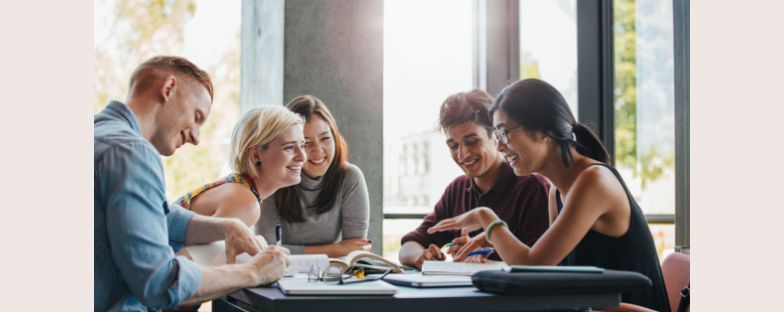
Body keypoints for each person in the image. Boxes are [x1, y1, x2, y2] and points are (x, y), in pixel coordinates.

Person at [428, 79, 670, 311]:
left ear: (543, 130)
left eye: (504, 133)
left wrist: (487, 219)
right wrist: (493, 239)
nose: (500, 146)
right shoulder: (557, 190)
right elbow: (549, 273)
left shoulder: (593, 181)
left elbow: (532, 266)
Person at [95, 56, 289, 311]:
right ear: (168, 89)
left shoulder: (100, 136)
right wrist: (254, 272)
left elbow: (151, 216)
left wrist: (225, 227)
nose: (196, 138)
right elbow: (160, 284)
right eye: (197, 116)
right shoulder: (132, 152)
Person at [398, 90, 550, 270]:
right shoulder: (457, 189)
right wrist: (420, 256)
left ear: (495, 137)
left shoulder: (532, 187)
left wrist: (484, 256)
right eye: (453, 146)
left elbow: (541, 265)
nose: (462, 155)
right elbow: (409, 245)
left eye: (471, 141)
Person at [256, 95, 371, 257]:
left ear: (335, 138)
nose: (318, 150)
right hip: (288, 273)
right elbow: (265, 250)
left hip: (336, 273)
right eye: (306, 143)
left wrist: (292, 251)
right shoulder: (275, 178)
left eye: (325, 138)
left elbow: (356, 250)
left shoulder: (350, 177)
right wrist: (335, 249)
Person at [173, 105, 308, 229]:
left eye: (302, 145)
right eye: (289, 147)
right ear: (256, 155)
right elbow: (197, 255)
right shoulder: (244, 202)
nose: (302, 157)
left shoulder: (241, 187)